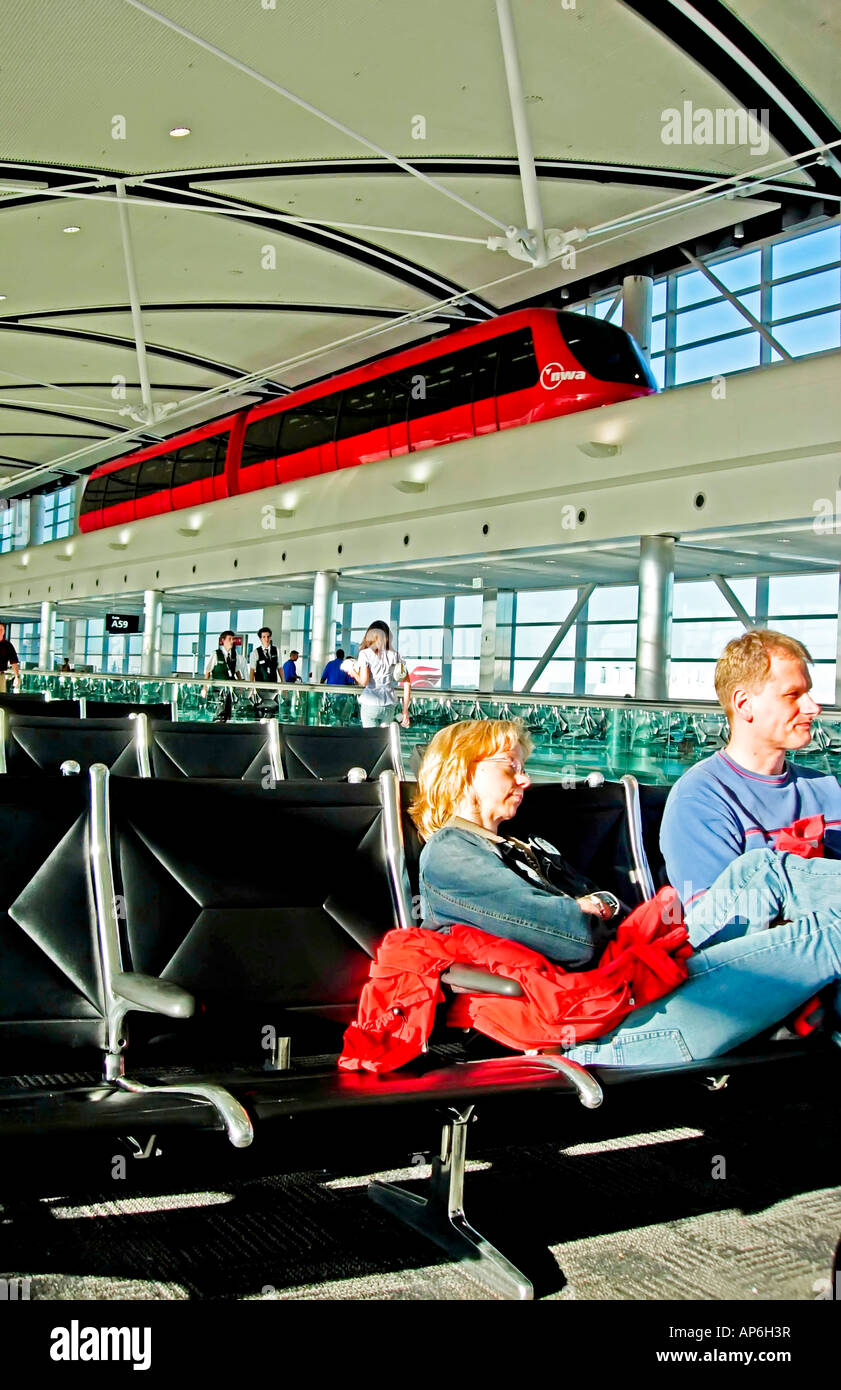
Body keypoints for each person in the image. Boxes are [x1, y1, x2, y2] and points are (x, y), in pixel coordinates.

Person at [411, 717, 841, 1067]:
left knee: (762, 867)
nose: (524, 780)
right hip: (600, 1026)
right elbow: (575, 940)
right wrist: (585, 910)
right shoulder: (450, 856)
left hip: (632, 984)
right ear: (463, 772)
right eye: (510, 767)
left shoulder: (525, 846)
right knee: (829, 936)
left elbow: (609, 908)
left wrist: (597, 906)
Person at [342, 621, 410, 729]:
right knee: (384, 740)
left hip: (370, 704)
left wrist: (353, 672)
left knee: (371, 740)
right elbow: (407, 683)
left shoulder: (365, 654)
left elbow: (364, 682)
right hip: (388, 705)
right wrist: (405, 711)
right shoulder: (395, 655)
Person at [205, 629, 248, 724]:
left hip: (229, 689)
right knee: (219, 710)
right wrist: (204, 687)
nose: (232, 641)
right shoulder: (216, 654)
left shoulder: (234, 655)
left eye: (233, 639)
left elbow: (236, 671)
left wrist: (240, 684)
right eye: (229, 639)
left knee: (228, 710)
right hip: (218, 689)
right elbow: (208, 671)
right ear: (223, 641)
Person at [249, 626, 280, 715]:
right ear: (260, 638)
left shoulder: (276, 651)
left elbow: (280, 667)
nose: (266, 639)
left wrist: (283, 683)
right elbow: (252, 671)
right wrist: (251, 687)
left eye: (268, 636)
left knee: (273, 709)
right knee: (261, 709)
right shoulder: (255, 653)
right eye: (264, 637)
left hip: (273, 687)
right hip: (261, 689)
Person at [0, 622, 20, 691]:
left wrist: (17, 676)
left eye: (1, 629)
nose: (0, 631)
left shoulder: (7, 645)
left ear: (4, 631)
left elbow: (14, 661)